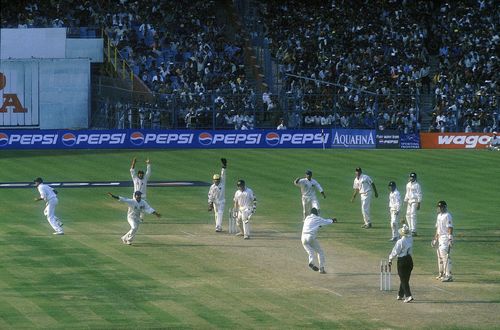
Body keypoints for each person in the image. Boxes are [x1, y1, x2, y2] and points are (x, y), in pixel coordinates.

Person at [301, 208, 337, 274]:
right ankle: (321, 269)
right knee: (320, 252)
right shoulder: (317, 218)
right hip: (310, 237)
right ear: (316, 213)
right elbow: (326, 221)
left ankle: (311, 262)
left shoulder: (307, 218)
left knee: (310, 252)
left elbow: (312, 225)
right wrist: (332, 220)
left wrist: (318, 225)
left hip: (303, 238)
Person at [388, 224, 414, 303]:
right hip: (409, 260)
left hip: (402, 261)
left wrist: (390, 259)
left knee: (403, 279)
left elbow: (395, 251)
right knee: (405, 279)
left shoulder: (400, 241)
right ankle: (400, 294)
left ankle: (408, 296)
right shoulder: (411, 239)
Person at [433, 200, 454, 282]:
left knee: (445, 256)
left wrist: (450, 238)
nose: (439, 208)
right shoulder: (438, 216)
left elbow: (450, 227)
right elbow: (438, 229)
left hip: (445, 238)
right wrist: (435, 239)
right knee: (439, 256)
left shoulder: (447, 215)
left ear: (444, 207)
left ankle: (448, 275)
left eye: (441, 207)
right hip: (440, 238)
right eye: (438, 207)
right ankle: (441, 273)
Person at [208, 158, 227, 232]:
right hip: (215, 202)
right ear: (213, 180)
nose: (216, 181)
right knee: (216, 214)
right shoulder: (212, 187)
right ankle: (218, 226)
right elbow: (210, 196)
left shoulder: (222, 183)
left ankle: (218, 226)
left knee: (220, 213)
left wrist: (224, 167)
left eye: (217, 180)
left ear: (219, 179)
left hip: (221, 201)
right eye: (215, 180)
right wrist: (210, 204)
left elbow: (223, 174)